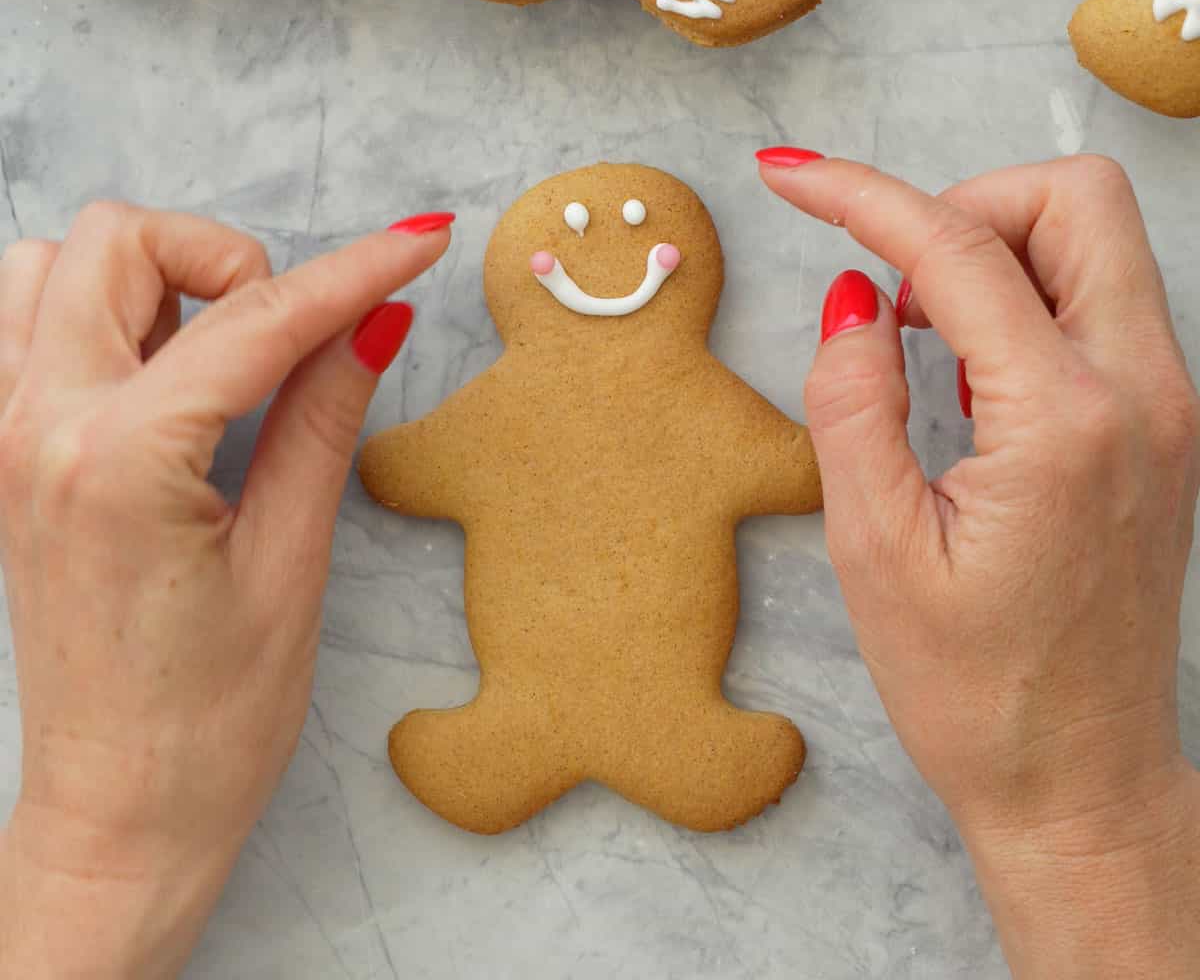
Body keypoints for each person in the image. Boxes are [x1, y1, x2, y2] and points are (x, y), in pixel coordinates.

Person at [0, 156, 1195, 979]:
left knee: (659, 720)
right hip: (525, 689)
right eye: (573, 233)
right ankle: (524, 736)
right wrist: (1091, 818)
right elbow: (415, 469)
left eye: (632, 225)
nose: (611, 248)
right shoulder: (514, 406)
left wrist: (95, 844)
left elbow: (786, 468)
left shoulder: (690, 399)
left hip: (670, 695)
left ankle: (655, 737)